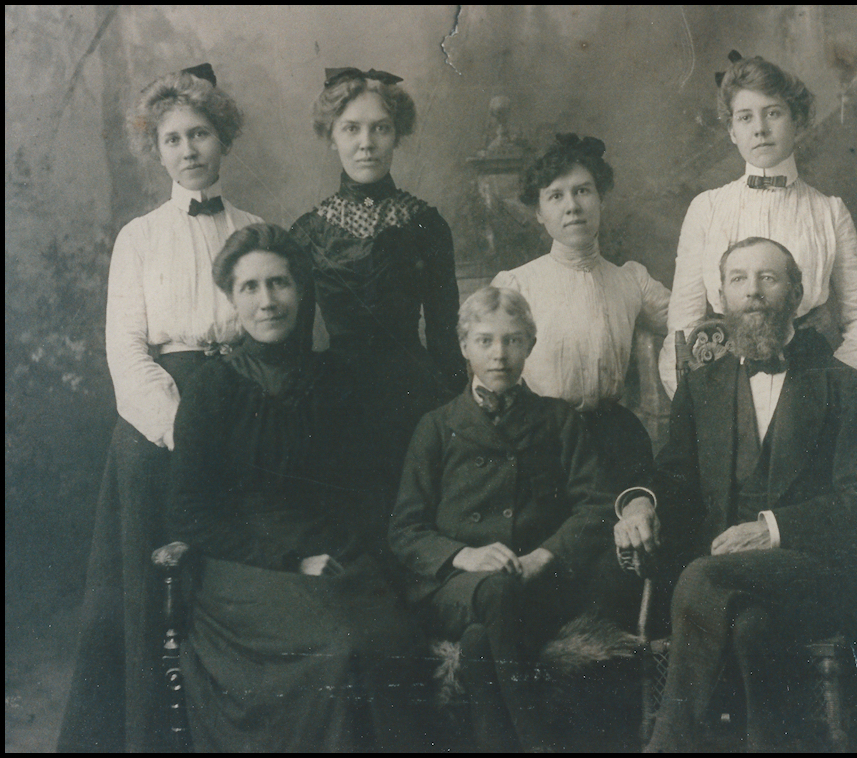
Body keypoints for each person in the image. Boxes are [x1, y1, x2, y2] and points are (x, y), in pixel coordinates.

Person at [615, 237, 857, 752]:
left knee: (703, 573)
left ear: (795, 293)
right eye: (738, 280)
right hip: (741, 589)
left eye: (767, 278)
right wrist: (639, 501)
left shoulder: (844, 385)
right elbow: (676, 479)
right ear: (722, 298)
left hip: (819, 576)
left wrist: (774, 529)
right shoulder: (700, 387)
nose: (752, 292)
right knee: (750, 628)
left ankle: (667, 745)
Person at [58, 63, 262, 753]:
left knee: (228, 584)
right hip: (157, 431)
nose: (188, 150)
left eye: (200, 134)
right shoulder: (139, 238)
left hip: (241, 415)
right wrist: (183, 428)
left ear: (222, 138)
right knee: (150, 599)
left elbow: (275, 338)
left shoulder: (258, 230)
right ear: (158, 150)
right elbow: (126, 352)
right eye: (173, 139)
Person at [167, 223, 432, 752]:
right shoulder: (210, 390)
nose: (268, 302)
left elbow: (365, 488)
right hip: (243, 569)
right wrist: (291, 558)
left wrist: (358, 554)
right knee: (338, 648)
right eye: (251, 287)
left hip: (338, 552)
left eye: (280, 284)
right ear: (232, 299)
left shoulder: (335, 378)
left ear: (301, 290)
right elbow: (191, 515)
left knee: (387, 640)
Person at [388, 286, 615, 752]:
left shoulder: (557, 418)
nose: (500, 354)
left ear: (531, 345)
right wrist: (464, 555)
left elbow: (597, 505)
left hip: (537, 582)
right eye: (486, 340)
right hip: (455, 589)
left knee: (478, 644)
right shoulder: (435, 425)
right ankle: (536, 740)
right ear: (464, 347)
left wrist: (543, 556)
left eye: (513, 340)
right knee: (494, 591)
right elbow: (404, 530)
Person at [657, 54, 857, 400]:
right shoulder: (707, 208)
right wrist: (700, 405)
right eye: (745, 117)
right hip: (724, 382)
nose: (760, 128)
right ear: (732, 131)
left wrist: (838, 394)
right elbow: (682, 326)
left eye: (773, 113)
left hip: (809, 380)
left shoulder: (829, 212)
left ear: (797, 120)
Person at [290, 67, 466, 502]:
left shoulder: (426, 223)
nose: (366, 143)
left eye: (380, 129)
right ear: (331, 137)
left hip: (417, 395)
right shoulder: (307, 231)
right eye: (351, 129)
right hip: (337, 399)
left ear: (397, 136)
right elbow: (295, 345)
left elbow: (445, 334)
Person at [492, 134, 670, 495]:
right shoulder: (516, 286)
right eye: (556, 196)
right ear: (539, 213)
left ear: (600, 199)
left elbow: (689, 321)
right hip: (541, 443)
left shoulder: (630, 280)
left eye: (583, 191)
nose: (572, 206)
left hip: (615, 441)